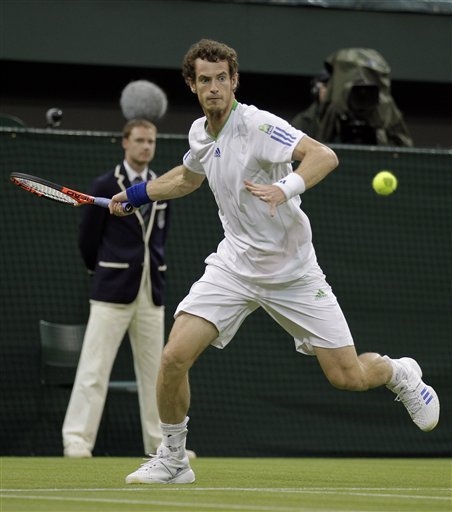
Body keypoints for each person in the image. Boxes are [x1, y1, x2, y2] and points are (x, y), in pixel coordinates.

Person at [109, 39, 440, 484]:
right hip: (234, 266)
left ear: (234, 81)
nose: (214, 87)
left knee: (348, 376)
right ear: (192, 85)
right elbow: (188, 177)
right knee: (173, 358)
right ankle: (173, 459)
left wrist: (284, 189)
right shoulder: (200, 134)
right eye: (205, 80)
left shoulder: (259, 125)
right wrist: (136, 194)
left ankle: (398, 372)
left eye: (221, 79)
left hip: (293, 273)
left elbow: (324, 156)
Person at [62, 119, 171, 458]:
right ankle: (77, 440)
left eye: (151, 141)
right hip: (111, 290)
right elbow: (87, 240)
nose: (146, 147)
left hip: (151, 291)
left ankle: (161, 444)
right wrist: (102, 271)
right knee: (94, 368)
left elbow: (160, 237)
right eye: (140, 140)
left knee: (156, 373)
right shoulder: (105, 184)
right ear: (125, 142)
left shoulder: (160, 186)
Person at [291, 69, 330, 137]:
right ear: (316, 90)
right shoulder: (302, 122)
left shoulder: (346, 121)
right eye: (326, 86)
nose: (331, 91)